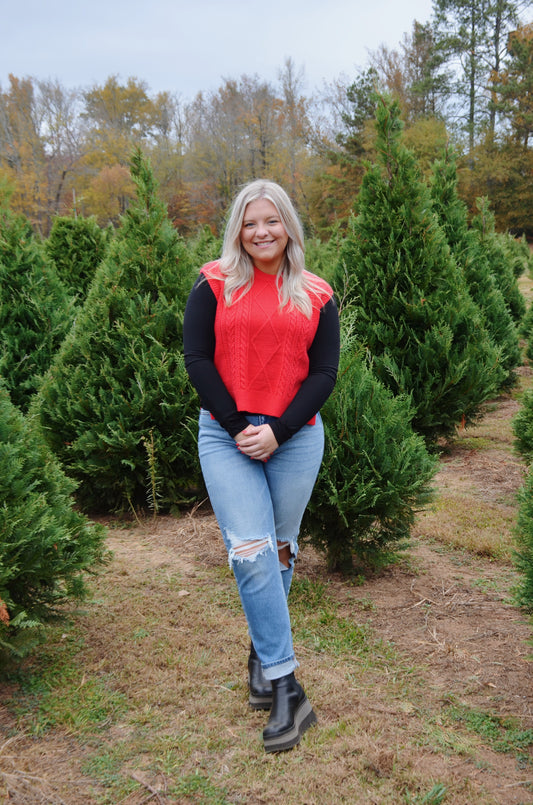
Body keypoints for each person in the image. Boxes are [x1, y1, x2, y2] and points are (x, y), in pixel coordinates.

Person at [183, 179, 340, 753]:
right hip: (227, 436)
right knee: (249, 550)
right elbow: (196, 357)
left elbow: (324, 373)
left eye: (271, 221)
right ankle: (287, 685)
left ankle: (259, 653)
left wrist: (279, 430)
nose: (261, 232)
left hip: (294, 438)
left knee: (278, 548)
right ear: (237, 231)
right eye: (250, 223)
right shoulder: (214, 283)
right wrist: (239, 428)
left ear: (289, 226)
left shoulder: (317, 294)